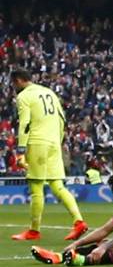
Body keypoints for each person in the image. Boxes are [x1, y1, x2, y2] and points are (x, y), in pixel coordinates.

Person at [8, 69, 88, 242]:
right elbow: (61, 119)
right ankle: (79, 222)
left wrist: (21, 150)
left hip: (37, 142)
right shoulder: (49, 92)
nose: (14, 87)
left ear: (19, 80)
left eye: (14, 83)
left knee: (36, 188)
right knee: (58, 186)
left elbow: (25, 124)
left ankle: (34, 231)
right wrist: (57, 141)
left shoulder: (24, 97)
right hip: (53, 143)